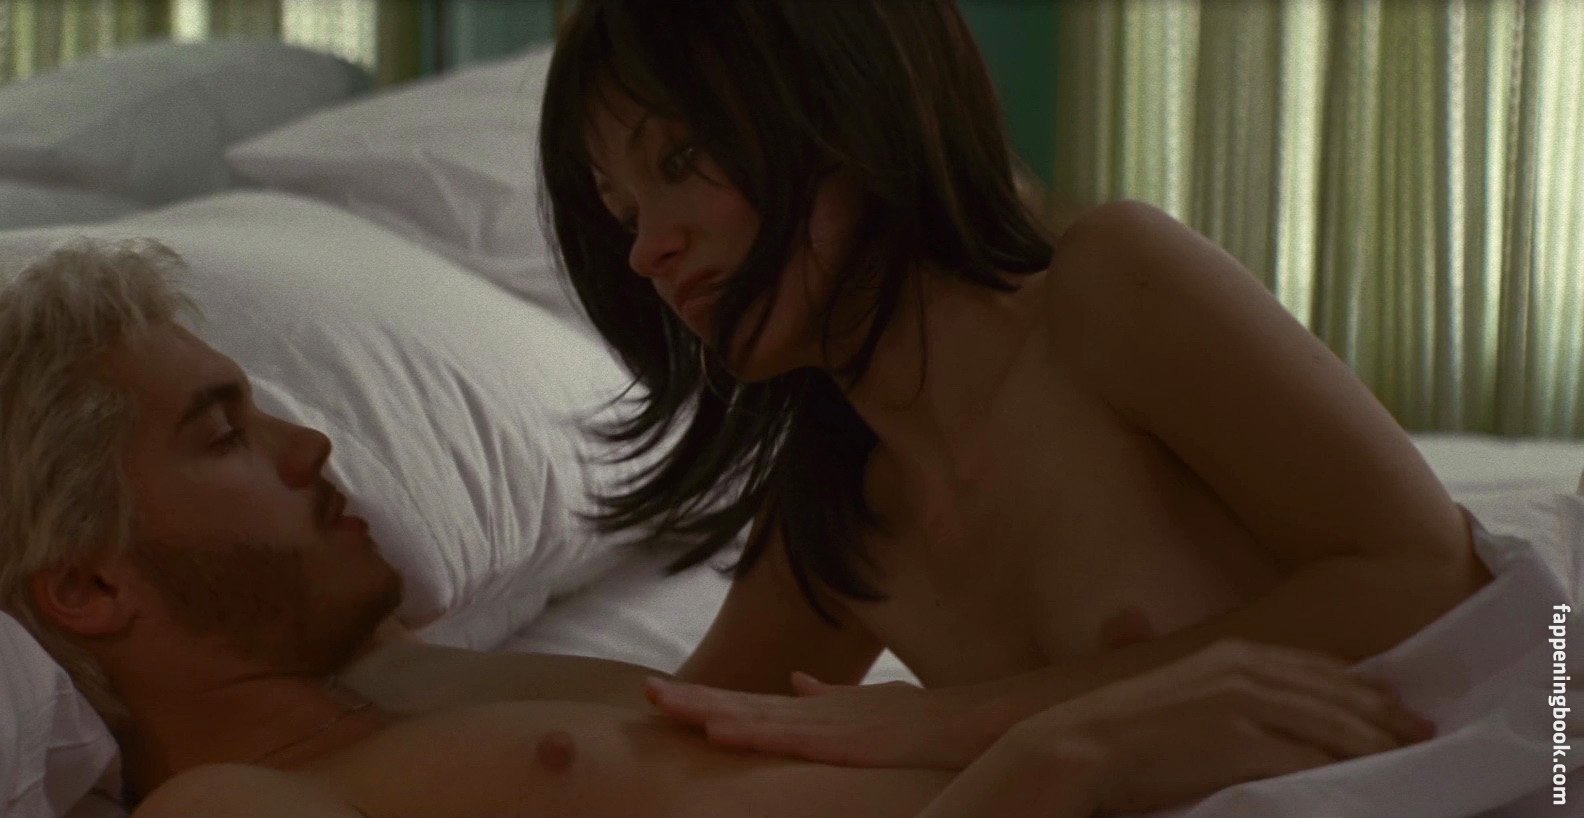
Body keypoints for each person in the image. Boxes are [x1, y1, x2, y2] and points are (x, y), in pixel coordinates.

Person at [0, 239, 1432, 817]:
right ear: (90, 581)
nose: (311, 444)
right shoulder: (234, 800)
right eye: (224, 431)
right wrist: (1051, 767)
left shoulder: (418, 693)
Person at [537, 0, 1492, 768]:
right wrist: (428, 676)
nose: (645, 251)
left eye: (679, 160)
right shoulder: (838, 513)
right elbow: (682, 727)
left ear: (842, 100)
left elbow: (1426, 571)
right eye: (622, 212)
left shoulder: (1108, 287)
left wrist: (954, 722)